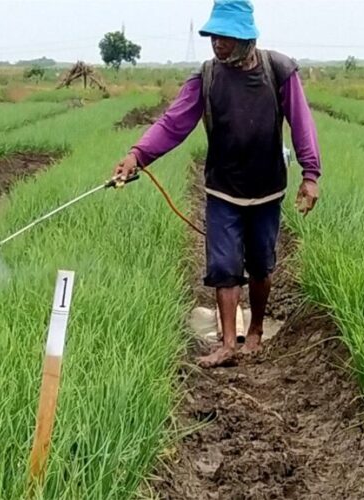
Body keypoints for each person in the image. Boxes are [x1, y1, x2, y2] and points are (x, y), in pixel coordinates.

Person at [112, 0, 322, 368]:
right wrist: (137, 156)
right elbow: (173, 123)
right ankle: (227, 344)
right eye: (213, 36)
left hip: (267, 188)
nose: (217, 43)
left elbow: (302, 123)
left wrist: (310, 174)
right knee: (224, 266)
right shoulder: (207, 77)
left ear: (246, 38)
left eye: (225, 37)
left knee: (261, 265)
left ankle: (255, 330)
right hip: (223, 189)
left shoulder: (279, 70)